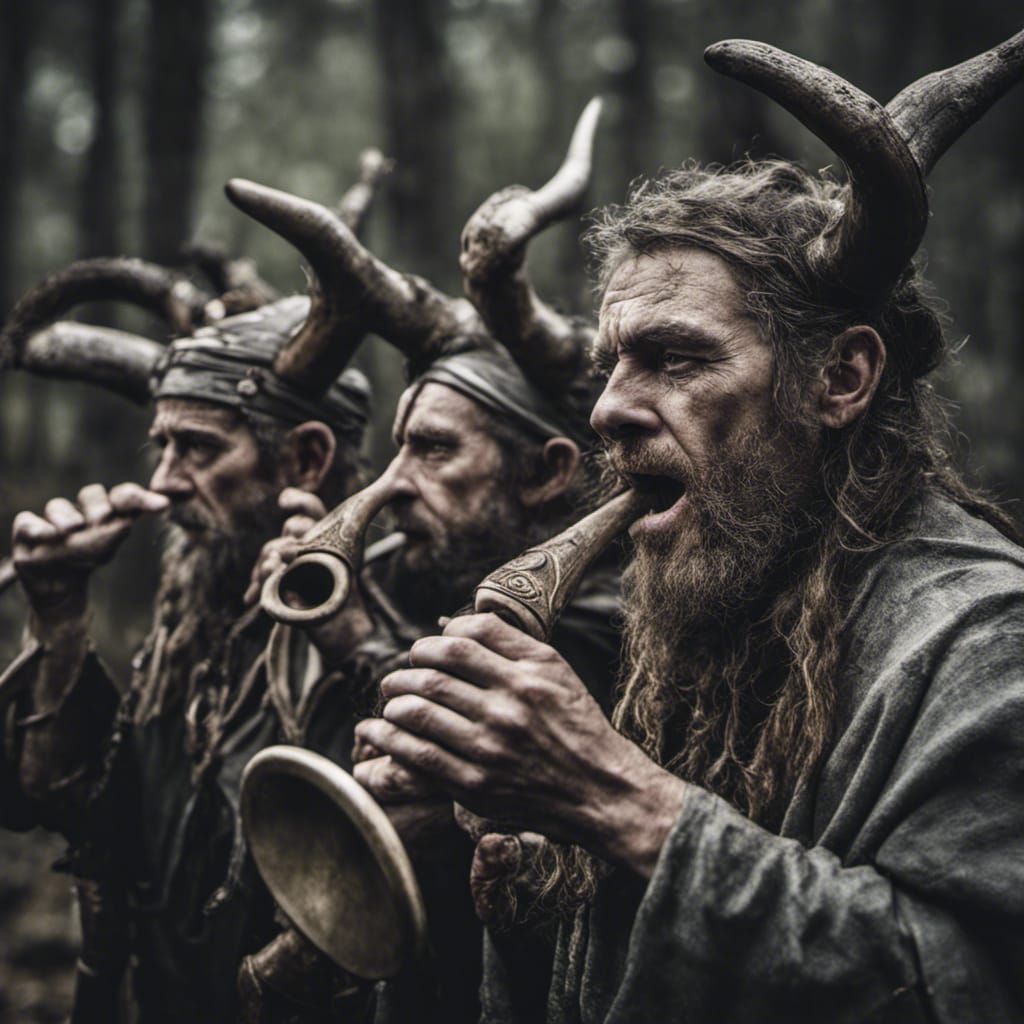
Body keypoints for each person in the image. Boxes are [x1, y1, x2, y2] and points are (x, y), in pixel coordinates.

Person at [353, 32, 1024, 1023]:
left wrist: (616, 798)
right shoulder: (717, 595)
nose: (605, 409)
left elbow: (962, 986)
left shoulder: (985, 642)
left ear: (840, 378)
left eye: (671, 358)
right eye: (616, 361)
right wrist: (525, 870)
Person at [239, 100, 622, 1024]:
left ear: (548, 473)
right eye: (398, 444)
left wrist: (357, 638)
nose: (391, 485)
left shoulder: (608, 634)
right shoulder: (426, 581)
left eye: (437, 451)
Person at [0, 156, 387, 1023]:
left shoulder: (395, 613)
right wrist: (58, 620)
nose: (167, 481)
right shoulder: (191, 615)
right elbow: (56, 803)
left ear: (306, 460)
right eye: (161, 447)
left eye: (200, 449)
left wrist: (356, 645)